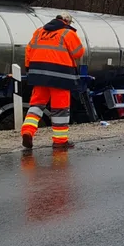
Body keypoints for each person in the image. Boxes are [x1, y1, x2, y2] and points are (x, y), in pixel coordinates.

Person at [22, 13, 86, 150]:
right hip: (60, 76)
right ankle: (60, 141)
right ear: (67, 22)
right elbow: (78, 53)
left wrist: (29, 69)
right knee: (60, 110)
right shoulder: (68, 33)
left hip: (39, 75)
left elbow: (28, 50)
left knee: (36, 105)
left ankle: (27, 131)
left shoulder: (39, 31)